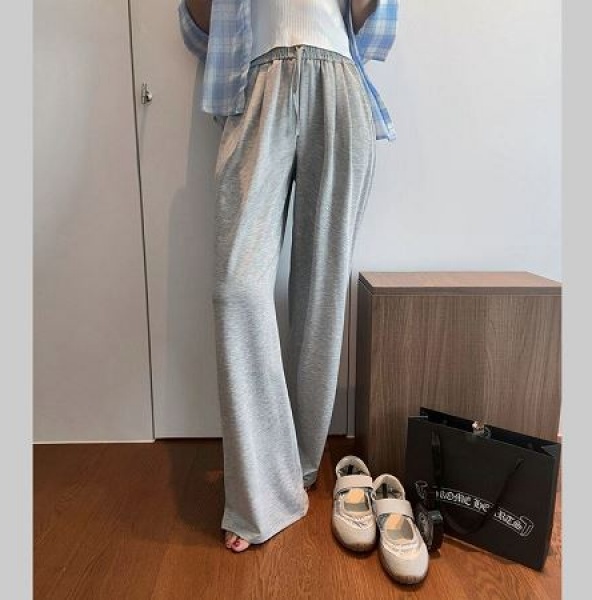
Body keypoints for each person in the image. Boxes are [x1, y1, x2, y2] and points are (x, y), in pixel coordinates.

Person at [177, 0, 399, 553]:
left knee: (320, 293)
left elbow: (369, 22)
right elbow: (201, 27)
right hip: (258, 84)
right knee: (236, 289)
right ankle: (259, 491)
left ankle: (298, 465)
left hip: (338, 80)